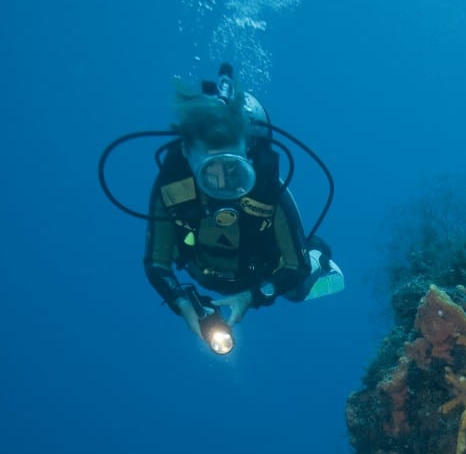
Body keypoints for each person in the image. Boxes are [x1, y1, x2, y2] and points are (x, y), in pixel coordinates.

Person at [143, 63, 343, 352]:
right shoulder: (172, 189)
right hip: (203, 271)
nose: (222, 184)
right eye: (210, 171)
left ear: (247, 150)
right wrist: (182, 303)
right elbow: (156, 263)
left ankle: (318, 256)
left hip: (260, 270)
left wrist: (252, 296)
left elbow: (295, 266)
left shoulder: (267, 189)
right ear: (186, 152)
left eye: (233, 169)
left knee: (296, 291)